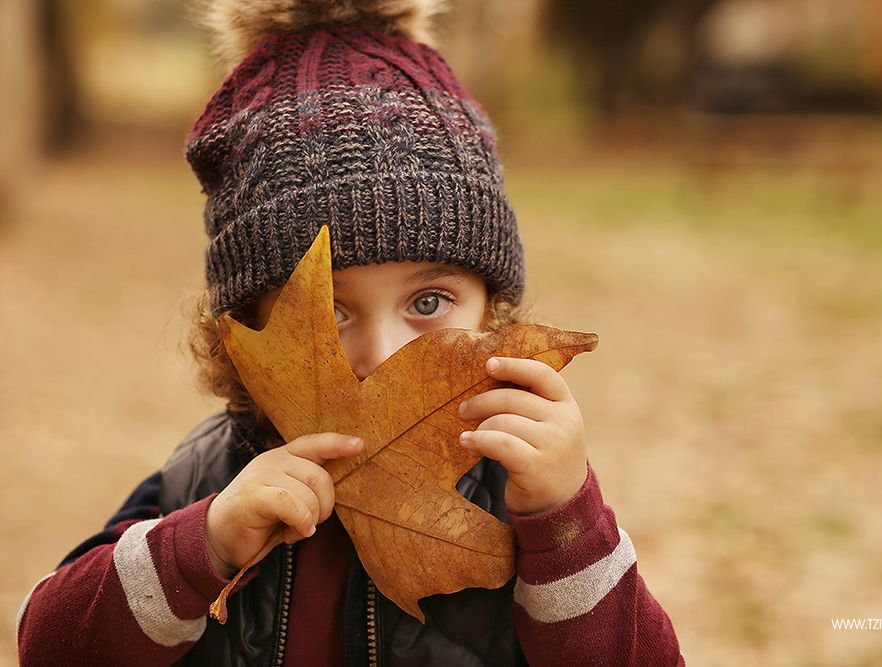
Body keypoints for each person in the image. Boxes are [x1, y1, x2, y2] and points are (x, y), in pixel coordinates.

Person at [16, 1, 684, 665]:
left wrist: (567, 525)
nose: (382, 353)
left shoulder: (523, 498)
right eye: (331, 312)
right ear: (249, 328)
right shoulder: (209, 478)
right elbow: (48, 646)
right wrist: (203, 547)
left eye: (428, 301)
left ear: (491, 315)